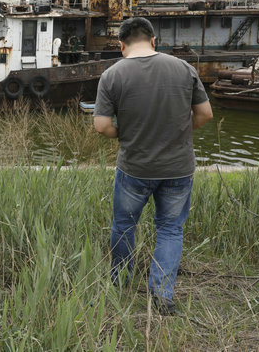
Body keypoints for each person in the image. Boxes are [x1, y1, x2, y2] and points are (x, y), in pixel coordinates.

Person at [93, 17, 213, 315]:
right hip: (178, 169)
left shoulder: (112, 74)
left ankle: (120, 283)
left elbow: (101, 125)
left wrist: (123, 135)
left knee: (124, 226)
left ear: (121, 45)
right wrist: (178, 134)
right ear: (153, 41)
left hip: (134, 168)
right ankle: (162, 295)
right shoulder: (184, 69)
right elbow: (205, 114)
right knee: (170, 229)